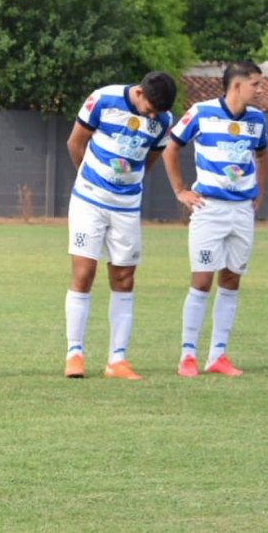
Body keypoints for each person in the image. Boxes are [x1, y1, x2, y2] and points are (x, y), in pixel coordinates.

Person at [63, 71, 176, 380]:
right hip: (89, 200)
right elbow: (75, 143)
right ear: (139, 92)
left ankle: (117, 360)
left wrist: (125, 184)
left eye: (158, 112)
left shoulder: (163, 121)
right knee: (84, 274)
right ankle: (75, 353)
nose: (152, 116)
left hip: (126, 207)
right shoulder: (102, 99)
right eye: (150, 108)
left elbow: (150, 160)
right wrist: (91, 181)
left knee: (124, 278)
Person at [164, 62, 268, 378]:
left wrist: (258, 196)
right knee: (202, 280)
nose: (260, 90)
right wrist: (180, 190)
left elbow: (262, 157)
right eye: (256, 84)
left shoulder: (257, 120)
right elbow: (171, 148)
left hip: (241, 212)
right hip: (209, 210)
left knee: (232, 279)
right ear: (236, 85)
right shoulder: (201, 112)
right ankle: (187, 356)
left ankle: (218, 355)